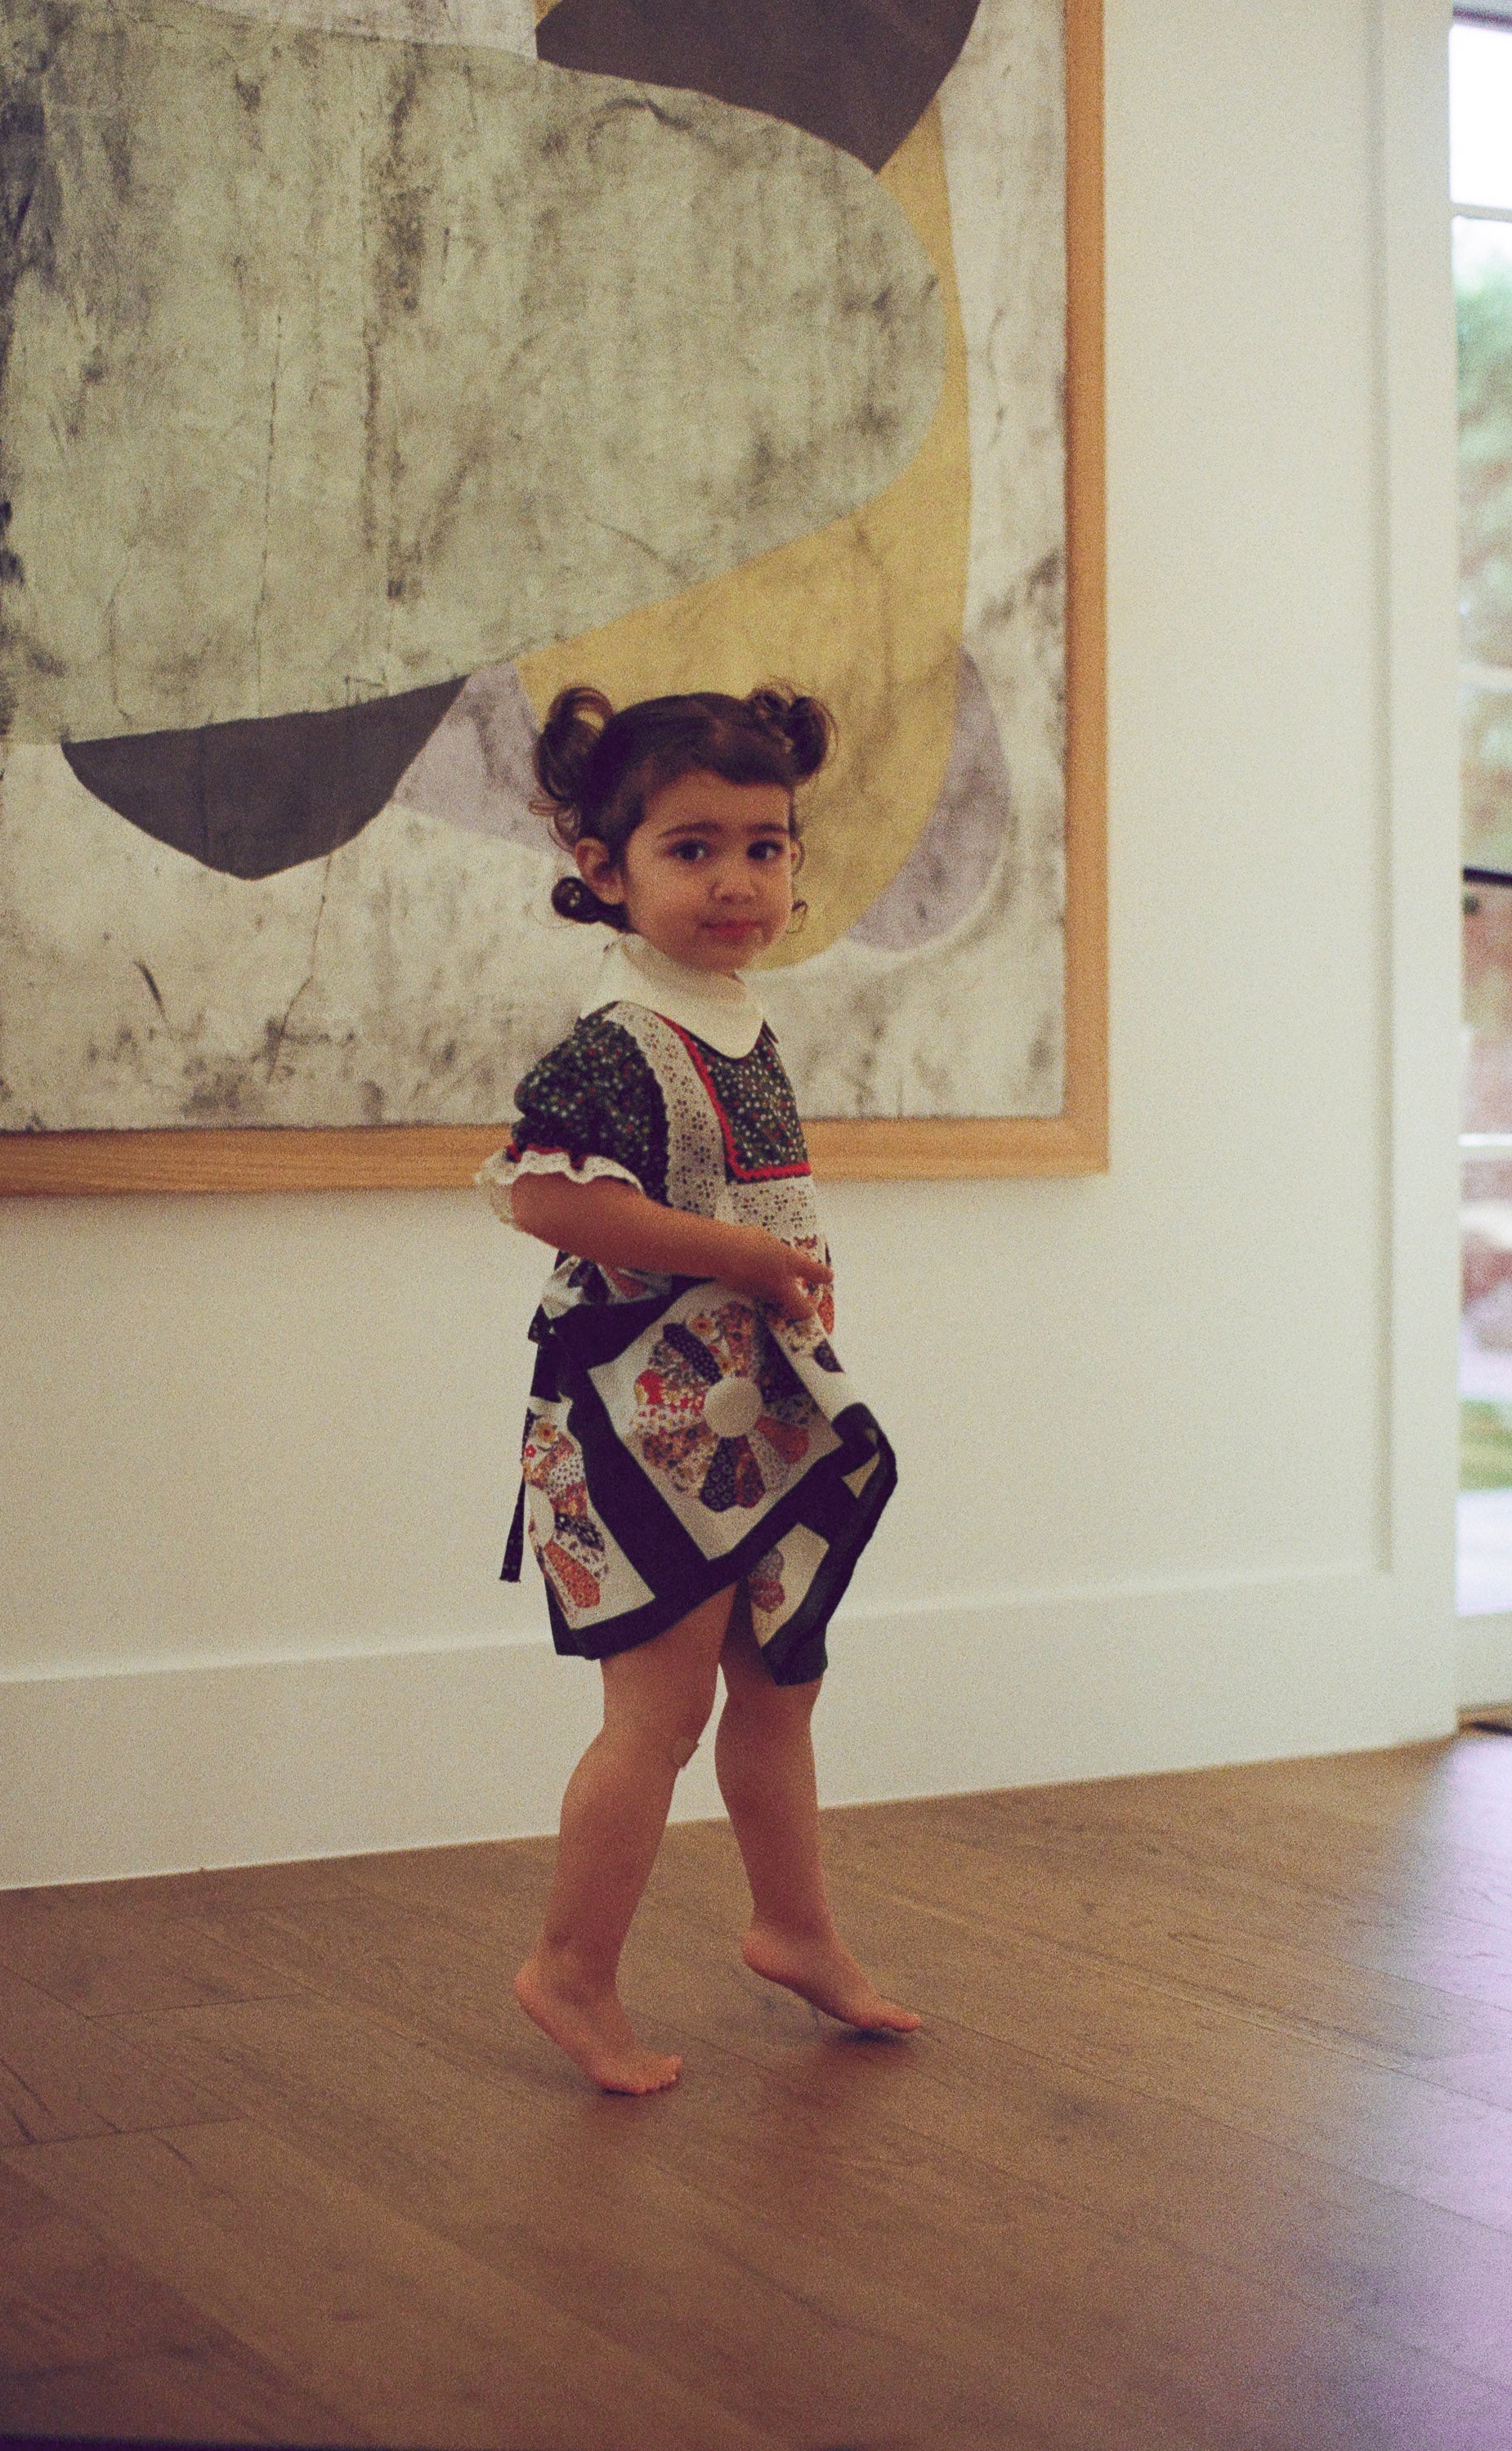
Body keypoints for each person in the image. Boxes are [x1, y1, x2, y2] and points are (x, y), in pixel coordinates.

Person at [478, 683, 920, 2094]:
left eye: (766, 846)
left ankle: (794, 1925)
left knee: (780, 1684)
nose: (738, 879)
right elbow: (541, 1198)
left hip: (747, 1423)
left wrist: (784, 1277)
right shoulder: (616, 1041)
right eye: (691, 848)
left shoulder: (733, 1019)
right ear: (605, 869)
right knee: (656, 1714)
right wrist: (737, 1252)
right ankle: (570, 1969)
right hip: (635, 1429)